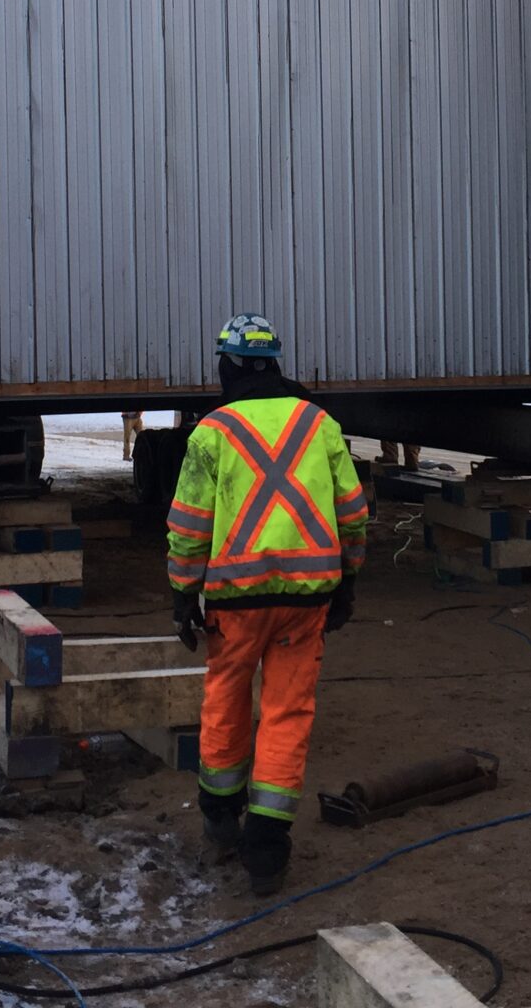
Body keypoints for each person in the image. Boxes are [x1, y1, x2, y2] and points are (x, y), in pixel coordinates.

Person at [165, 313, 369, 896]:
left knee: (226, 699)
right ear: (275, 363)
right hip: (306, 601)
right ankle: (266, 850)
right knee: (287, 711)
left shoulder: (211, 432)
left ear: (227, 366)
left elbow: (189, 527)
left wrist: (183, 593)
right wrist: (347, 582)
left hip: (235, 602)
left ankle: (220, 817)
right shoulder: (318, 424)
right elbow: (353, 514)